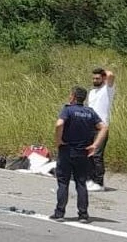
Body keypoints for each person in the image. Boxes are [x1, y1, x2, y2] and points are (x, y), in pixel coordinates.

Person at [50, 86, 108, 223]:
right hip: (83, 152)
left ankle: (60, 213)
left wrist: (58, 140)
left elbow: (59, 124)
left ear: (73, 97)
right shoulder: (90, 112)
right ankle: (83, 214)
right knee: (81, 183)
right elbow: (104, 127)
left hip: (67, 150)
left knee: (63, 182)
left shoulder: (68, 110)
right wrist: (95, 145)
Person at [85, 67, 116, 191]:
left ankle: (99, 182)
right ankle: (91, 180)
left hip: (101, 128)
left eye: (97, 78)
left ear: (103, 79)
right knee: (89, 154)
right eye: (93, 78)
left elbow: (111, 75)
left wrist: (103, 72)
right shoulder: (92, 92)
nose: (94, 80)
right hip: (89, 127)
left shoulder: (107, 89)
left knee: (97, 155)